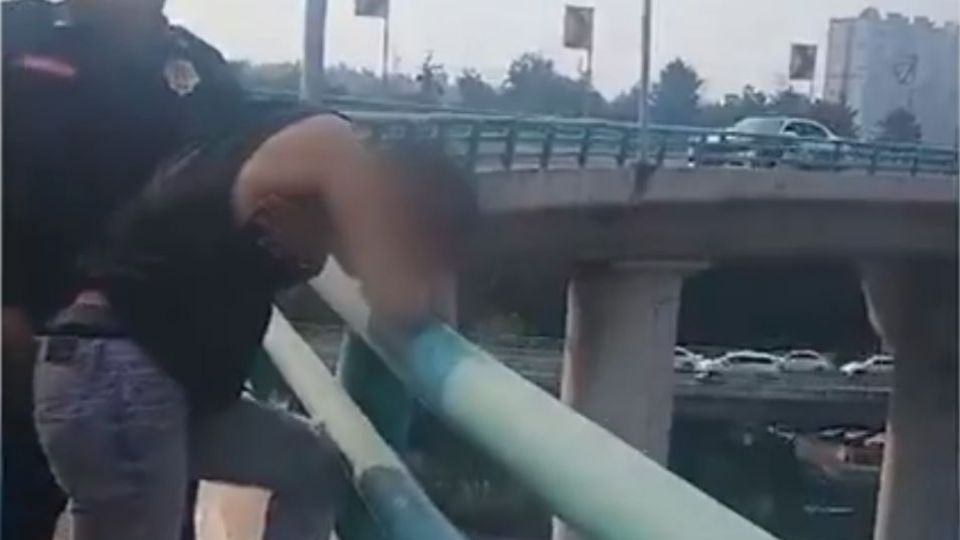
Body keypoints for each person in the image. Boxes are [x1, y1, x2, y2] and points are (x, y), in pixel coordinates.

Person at [32, 108, 478, 540]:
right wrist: (427, 265)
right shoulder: (336, 149)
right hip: (118, 379)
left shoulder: (297, 157)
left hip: (155, 382)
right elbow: (399, 299)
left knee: (312, 465)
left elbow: (399, 289)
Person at [3, 0, 246, 537]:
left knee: (152, 512)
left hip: (155, 358)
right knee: (22, 496)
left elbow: (229, 192)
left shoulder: (201, 73)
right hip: (32, 326)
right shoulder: (22, 47)